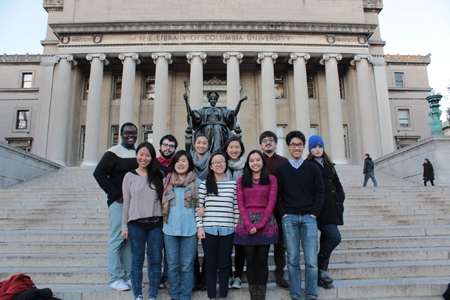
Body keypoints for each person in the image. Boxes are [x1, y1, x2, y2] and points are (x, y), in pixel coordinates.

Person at [275, 130, 325, 300]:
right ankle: (295, 294)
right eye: (293, 145)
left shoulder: (313, 168)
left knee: (311, 261)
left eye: (300, 145)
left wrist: (314, 214)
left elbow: (320, 193)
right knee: (293, 260)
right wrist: (283, 214)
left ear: (304, 147)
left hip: (308, 219)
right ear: (288, 146)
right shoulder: (281, 169)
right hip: (289, 219)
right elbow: (278, 194)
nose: (297, 148)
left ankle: (311, 294)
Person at [93, 122, 139, 291]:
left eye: (133, 133)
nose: (131, 135)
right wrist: (116, 194)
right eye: (127, 132)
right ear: (121, 134)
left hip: (134, 205)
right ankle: (115, 277)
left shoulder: (136, 152)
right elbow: (98, 173)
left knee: (128, 241)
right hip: (119, 203)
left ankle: (128, 277)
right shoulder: (113, 152)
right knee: (117, 239)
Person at [121, 142, 164, 300]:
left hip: (156, 224)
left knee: (155, 259)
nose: (144, 158)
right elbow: (126, 202)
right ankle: (138, 294)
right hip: (136, 225)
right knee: (137, 260)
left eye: (147, 155)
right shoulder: (129, 176)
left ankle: (153, 294)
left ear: (152, 157)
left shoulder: (159, 175)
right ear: (136, 155)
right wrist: (124, 226)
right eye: (141, 154)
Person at [234, 150, 279, 300]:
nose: (255, 163)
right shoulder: (242, 180)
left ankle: (262, 293)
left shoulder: (271, 179)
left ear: (262, 162)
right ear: (248, 163)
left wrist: (260, 225)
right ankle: (253, 293)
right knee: (250, 259)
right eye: (252, 160)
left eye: (258, 160)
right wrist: (248, 224)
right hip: (246, 222)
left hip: (265, 223)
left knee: (262, 260)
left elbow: (271, 203)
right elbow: (241, 205)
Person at [196, 152, 238, 300]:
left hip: (228, 231)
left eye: (222, 161)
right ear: (211, 166)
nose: (219, 164)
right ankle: (212, 296)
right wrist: (200, 227)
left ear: (226, 164)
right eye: (216, 162)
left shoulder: (233, 184)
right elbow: (198, 207)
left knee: (225, 264)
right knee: (211, 265)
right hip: (208, 231)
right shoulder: (204, 184)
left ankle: (223, 295)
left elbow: (236, 208)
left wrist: (235, 228)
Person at [307, 135, 345, 289]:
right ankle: (320, 268)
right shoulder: (308, 165)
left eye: (320, 147)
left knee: (326, 240)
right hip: (319, 209)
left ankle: (321, 276)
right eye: (314, 147)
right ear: (310, 149)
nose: (317, 149)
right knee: (335, 237)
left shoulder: (329, 164)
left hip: (332, 207)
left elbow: (337, 183)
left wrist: (341, 196)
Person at [162, 150, 201, 300]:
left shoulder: (197, 182)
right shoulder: (167, 181)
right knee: (172, 265)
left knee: (187, 266)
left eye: (184, 160)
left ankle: (185, 295)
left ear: (189, 163)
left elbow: (201, 205)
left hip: (190, 229)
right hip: (169, 229)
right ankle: (174, 295)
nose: (180, 164)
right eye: (177, 161)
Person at [259, 130, 289, 289]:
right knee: (261, 244)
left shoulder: (284, 161)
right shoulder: (256, 161)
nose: (268, 142)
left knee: (280, 244)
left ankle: (279, 275)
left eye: (271, 140)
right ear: (260, 144)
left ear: (276, 143)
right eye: (264, 140)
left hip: (280, 209)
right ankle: (260, 277)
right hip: (261, 209)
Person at [222, 136, 246, 289]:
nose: (234, 150)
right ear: (226, 149)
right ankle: (228, 274)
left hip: (241, 211)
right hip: (224, 212)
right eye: (231, 147)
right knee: (225, 247)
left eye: (237, 147)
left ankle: (237, 276)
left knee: (240, 247)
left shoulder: (247, 166)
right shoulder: (221, 165)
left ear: (241, 149)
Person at [157, 134, 178, 289]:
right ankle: (155, 277)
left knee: (169, 249)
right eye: (165, 145)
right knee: (156, 247)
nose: (168, 148)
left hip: (171, 211)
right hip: (154, 210)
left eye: (171, 146)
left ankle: (167, 277)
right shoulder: (153, 164)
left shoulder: (177, 165)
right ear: (160, 146)